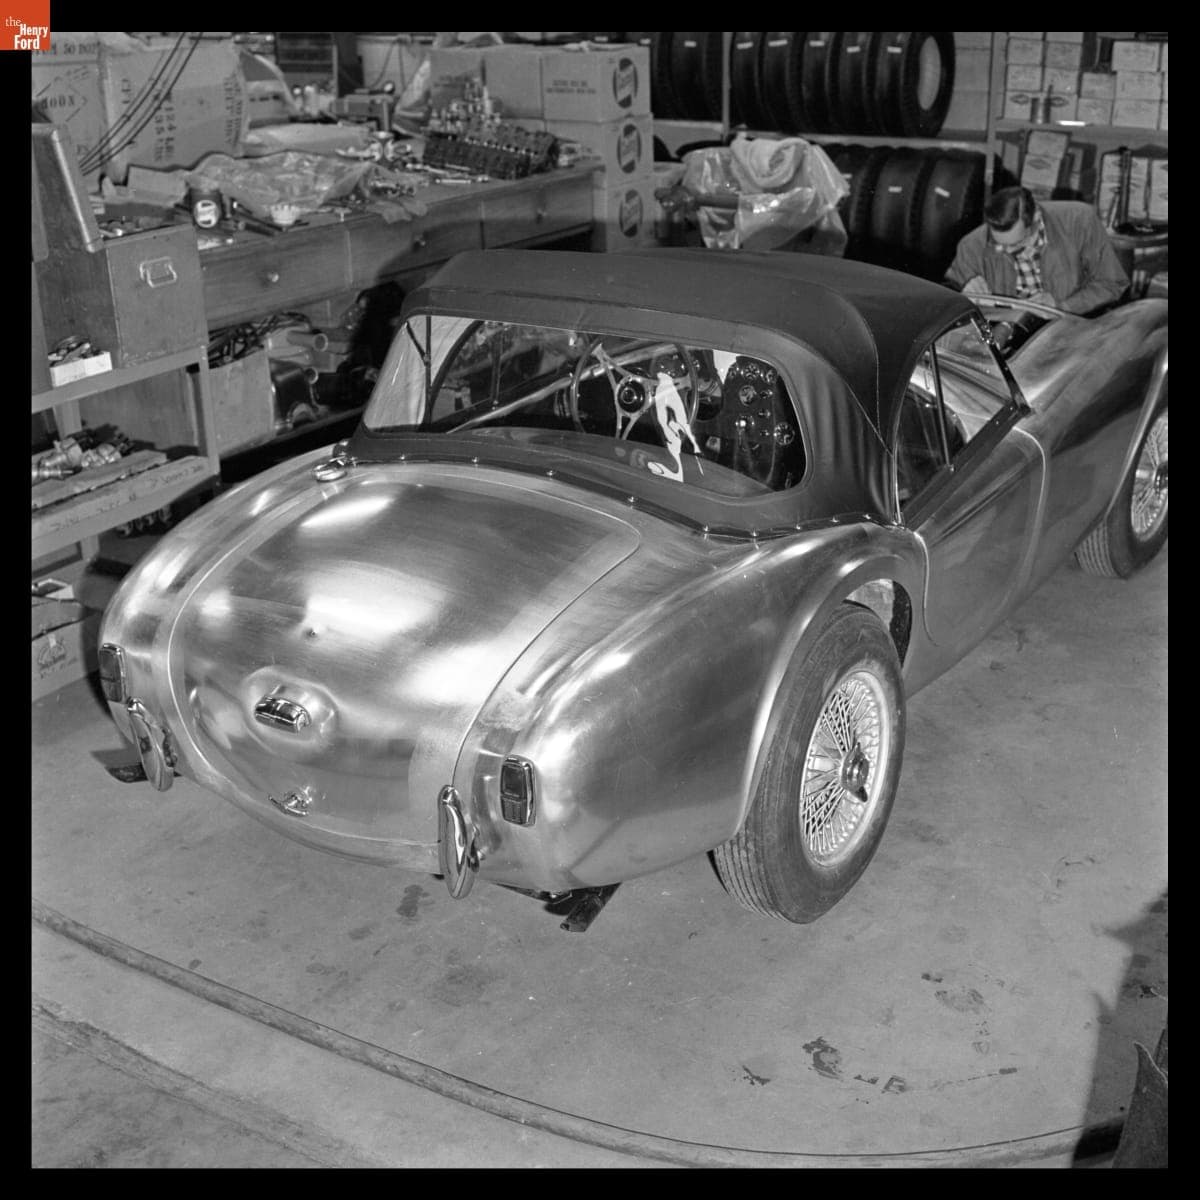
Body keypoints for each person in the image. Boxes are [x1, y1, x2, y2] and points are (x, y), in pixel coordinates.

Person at [945, 186, 1129, 315]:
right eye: (997, 243)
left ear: (1036, 218)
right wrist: (964, 295)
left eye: (1015, 244)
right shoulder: (972, 244)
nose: (1004, 250)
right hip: (1010, 334)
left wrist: (1062, 306)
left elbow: (1112, 283)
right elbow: (945, 297)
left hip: (1070, 325)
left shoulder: (1080, 221)